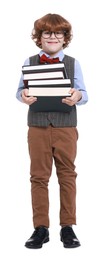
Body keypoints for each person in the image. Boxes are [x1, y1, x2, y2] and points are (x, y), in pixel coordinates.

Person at [16, 13, 88, 249]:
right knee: (38, 176)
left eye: (58, 33)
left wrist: (77, 96)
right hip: (37, 126)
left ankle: (68, 227)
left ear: (65, 37)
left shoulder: (73, 62)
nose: (53, 37)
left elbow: (84, 94)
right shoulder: (29, 61)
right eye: (47, 33)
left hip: (66, 126)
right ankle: (41, 228)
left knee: (67, 175)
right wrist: (24, 97)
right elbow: (20, 91)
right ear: (39, 37)